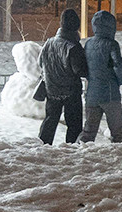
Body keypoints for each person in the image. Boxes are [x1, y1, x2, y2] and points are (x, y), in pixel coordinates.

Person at [38, 9, 89, 144]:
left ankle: (43, 145)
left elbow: (40, 62)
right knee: (73, 123)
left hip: (51, 89)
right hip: (70, 91)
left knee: (50, 120)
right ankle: (70, 150)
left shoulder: (49, 42)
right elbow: (80, 70)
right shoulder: (73, 47)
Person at [81, 9, 122, 143]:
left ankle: (81, 156)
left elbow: (85, 68)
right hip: (110, 93)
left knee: (89, 132)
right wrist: (118, 81)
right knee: (117, 133)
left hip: (92, 93)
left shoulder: (88, 44)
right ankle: (118, 159)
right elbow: (119, 66)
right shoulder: (112, 44)